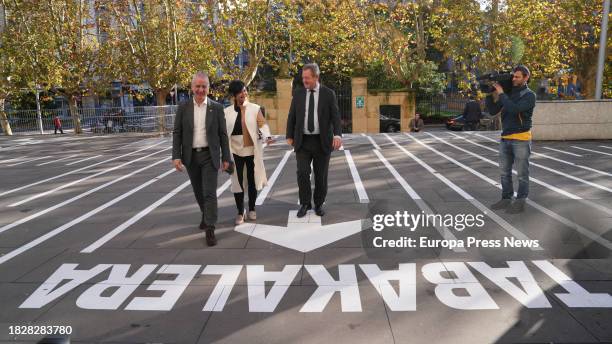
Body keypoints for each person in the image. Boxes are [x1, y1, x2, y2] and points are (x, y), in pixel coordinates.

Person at [172, 71, 231, 246]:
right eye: (197, 86)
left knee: (209, 193)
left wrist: (226, 157)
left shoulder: (217, 108)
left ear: (208, 88)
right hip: (190, 156)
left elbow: (223, 135)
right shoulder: (183, 107)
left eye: (203, 86)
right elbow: (177, 133)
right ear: (192, 87)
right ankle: (206, 216)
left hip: (209, 155)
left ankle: (210, 228)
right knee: (199, 192)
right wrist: (176, 156)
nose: (200, 89)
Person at [286, 62, 342, 218]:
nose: (304, 81)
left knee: (321, 175)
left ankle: (318, 204)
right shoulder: (298, 93)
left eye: (307, 78)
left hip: (322, 141)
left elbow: (335, 117)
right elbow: (292, 116)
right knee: (302, 173)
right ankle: (305, 203)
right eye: (303, 78)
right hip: (302, 141)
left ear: (316, 77)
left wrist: (337, 135)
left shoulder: (328, 94)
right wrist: (289, 135)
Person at [486, 65, 536, 214]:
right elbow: (493, 111)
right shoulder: (507, 93)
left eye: (517, 77)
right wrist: (489, 93)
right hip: (505, 138)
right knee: (504, 173)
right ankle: (506, 199)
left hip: (521, 138)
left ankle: (521, 201)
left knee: (522, 173)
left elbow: (514, 109)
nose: (513, 79)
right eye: (513, 76)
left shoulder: (529, 95)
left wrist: (502, 94)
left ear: (526, 77)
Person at [224, 80, 274, 225]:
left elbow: (262, 124)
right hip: (234, 151)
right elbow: (222, 133)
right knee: (237, 182)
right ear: (234, 95)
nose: (244, 94)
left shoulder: (254, 108)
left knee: (252, 181)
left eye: (245, 91)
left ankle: (252, 208)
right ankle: (240, 212)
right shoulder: (226, 112)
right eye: (240, 92)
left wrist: (268, 136)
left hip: (252, 150)